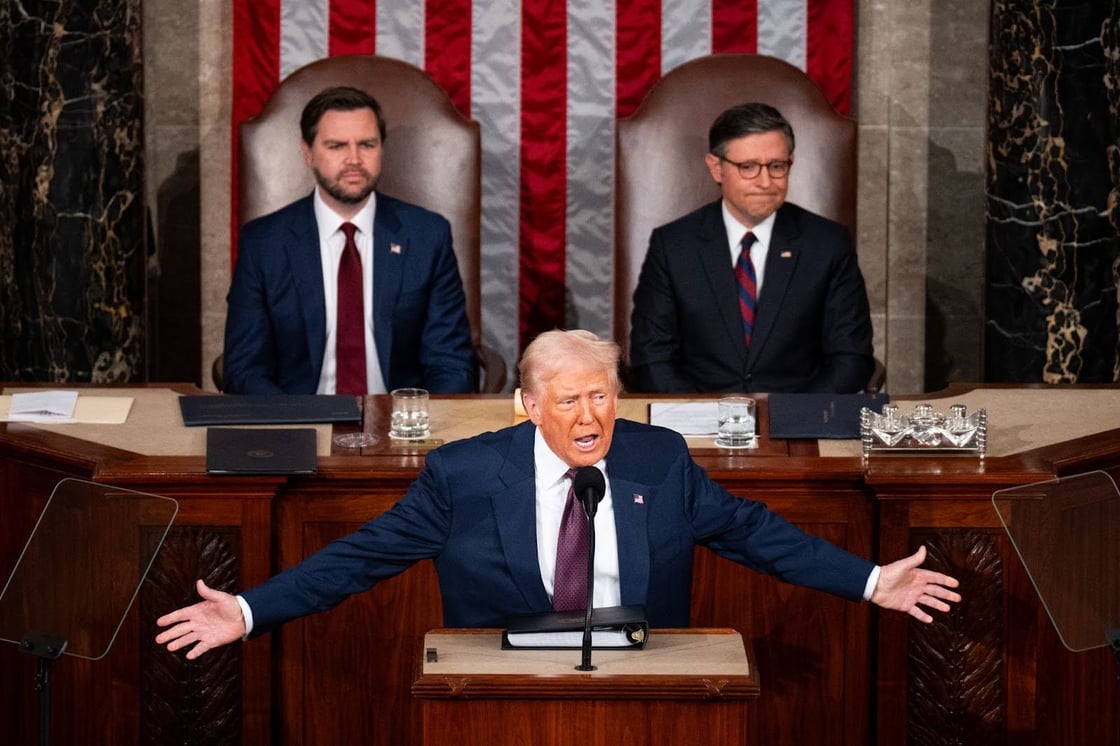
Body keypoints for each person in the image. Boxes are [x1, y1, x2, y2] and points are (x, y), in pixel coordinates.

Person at [156, 329, 958, 660]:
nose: (590, 417)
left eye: (603, 396)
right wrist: (251, 610)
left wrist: (872, 581)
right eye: (568, 401)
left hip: (643, 673)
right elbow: (360, 558)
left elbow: (756, 533)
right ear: (528, 406)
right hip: (501, 676)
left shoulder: (658, 461)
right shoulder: (464, 474)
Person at [222, 86, 476, 395]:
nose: (353, 159)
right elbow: (245, 368)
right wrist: (292, 425)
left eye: (366, 144)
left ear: (381, 148)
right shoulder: (264, 243)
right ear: (307, 153)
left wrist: (416, 426)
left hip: (402, 429)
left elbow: (451, 363)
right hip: (299, 425)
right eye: (336, 146)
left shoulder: (426, 236)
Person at [629, 102, 875, 394]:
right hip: (697, 423)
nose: (765, 182)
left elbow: (851, 357)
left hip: (796, 424)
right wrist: (697, 416)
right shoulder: (672, 246)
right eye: (748, 167)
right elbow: (652, 358)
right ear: (716, 167)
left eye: (777, 166)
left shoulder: (827, 243)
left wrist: (795, 417)